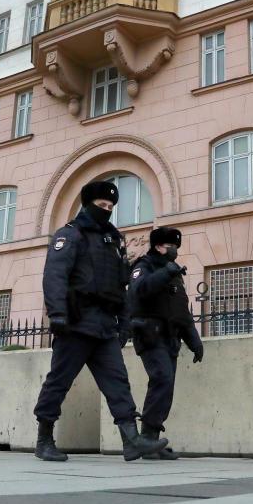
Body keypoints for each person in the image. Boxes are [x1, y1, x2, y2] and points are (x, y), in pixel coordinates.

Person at [33, 180, 169, 462]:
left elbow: (120, 286)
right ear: (87, 205)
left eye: (110, 207)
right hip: (75, 324)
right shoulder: (70, 235)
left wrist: (123, 324)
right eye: (101, 205)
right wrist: (57, 314)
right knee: (59, 382)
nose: (106, 210)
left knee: (118, 382)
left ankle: (132, 441)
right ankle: (44, 439)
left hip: (105, 326)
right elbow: (54, 275)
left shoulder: (113, 241)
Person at [127, 226, 204, 460]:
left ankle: (151, 438)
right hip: (150, 335)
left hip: (171, 337)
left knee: (166, 386)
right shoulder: (144, 266)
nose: (174, 250)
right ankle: (147, 438)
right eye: (171, 246)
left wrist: (194, 340)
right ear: (158, 246)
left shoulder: (174, 273)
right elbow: (139, 291)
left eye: (177, 247)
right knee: (162, 378)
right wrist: (166, 272)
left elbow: (181, 310)